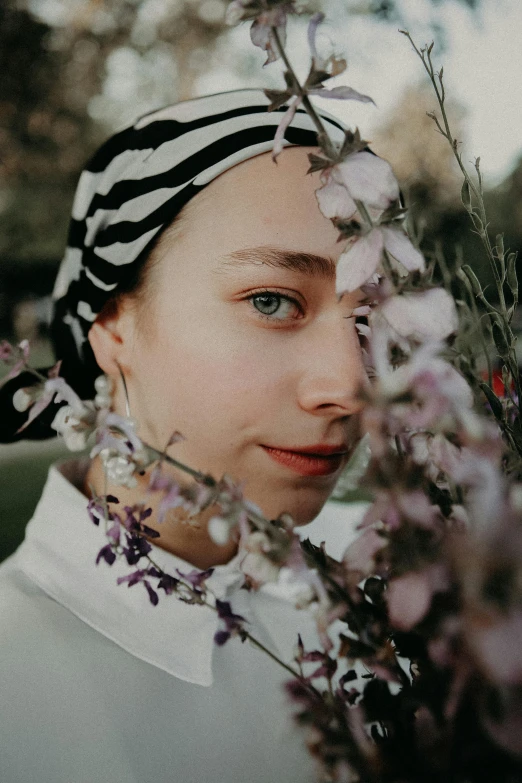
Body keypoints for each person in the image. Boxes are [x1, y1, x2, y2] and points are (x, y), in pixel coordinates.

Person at [0, 89, 369, 783]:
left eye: (371, 318)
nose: (349, 385)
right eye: (272, 300)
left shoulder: (421, 575)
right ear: (111, 325)